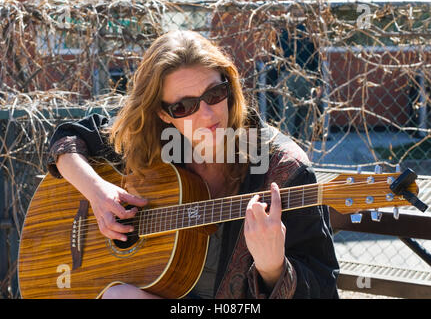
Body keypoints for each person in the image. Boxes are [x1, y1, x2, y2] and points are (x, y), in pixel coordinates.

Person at [47, 30, 339, 299]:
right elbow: (67, 139)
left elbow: (324, 287)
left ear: (230, 88)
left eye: (214, 94)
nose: (208, 114)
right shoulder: (154, 143)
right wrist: (97, 193)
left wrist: (273, 268)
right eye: (184, 106)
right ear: (163, 114)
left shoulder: (283, 169)